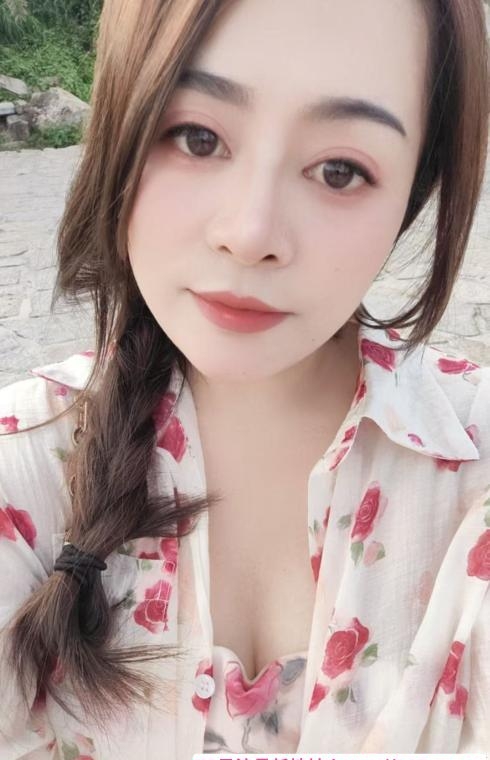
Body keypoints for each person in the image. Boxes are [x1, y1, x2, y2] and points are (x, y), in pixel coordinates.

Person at [0, 0, 489, 756]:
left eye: (340, 170)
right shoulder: (25, 461)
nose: (251, 233)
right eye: (197, 137)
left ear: (412, 194)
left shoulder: (474, 469)